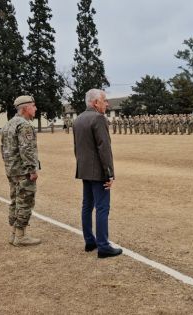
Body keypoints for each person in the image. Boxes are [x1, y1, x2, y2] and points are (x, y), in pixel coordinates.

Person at [73, 89, 122, 259]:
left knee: (87, 206)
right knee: (102, 207)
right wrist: (109, 173)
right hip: (98, 171)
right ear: (95, 103)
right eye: (104, 101)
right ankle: (103, 246)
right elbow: (104, 149)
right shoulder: (98, 118)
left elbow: (77, 148)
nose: (107, 104)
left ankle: (90, 241)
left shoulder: (78, 119)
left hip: (85, 169)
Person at [1, 95, 41, 247]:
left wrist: (8, 166)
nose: (35, 108)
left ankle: (13, 234)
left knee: (15, 201)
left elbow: (2, 149)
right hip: (23, 171)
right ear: (25, 108)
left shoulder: (8, 124)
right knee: (25, 201)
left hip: (12, 169)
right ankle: (21, 236)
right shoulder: (24, 125)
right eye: (33, 105)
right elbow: (26, 149)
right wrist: (32, 169)